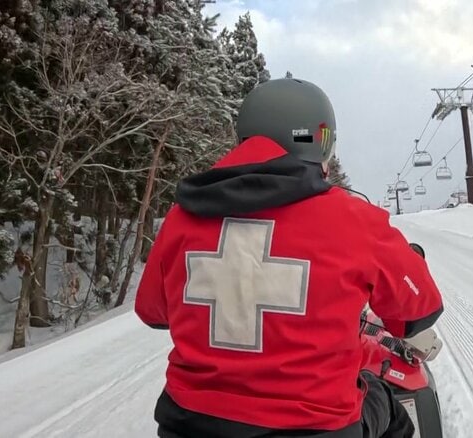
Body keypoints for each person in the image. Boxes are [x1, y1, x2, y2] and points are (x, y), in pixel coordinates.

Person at [135, 78, 444, 438]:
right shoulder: (353, 220)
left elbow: (154, 313)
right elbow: (419, 310)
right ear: (315, 142)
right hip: (316, 428)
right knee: (384, 402)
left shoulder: (181, 218)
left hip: (188, 424)